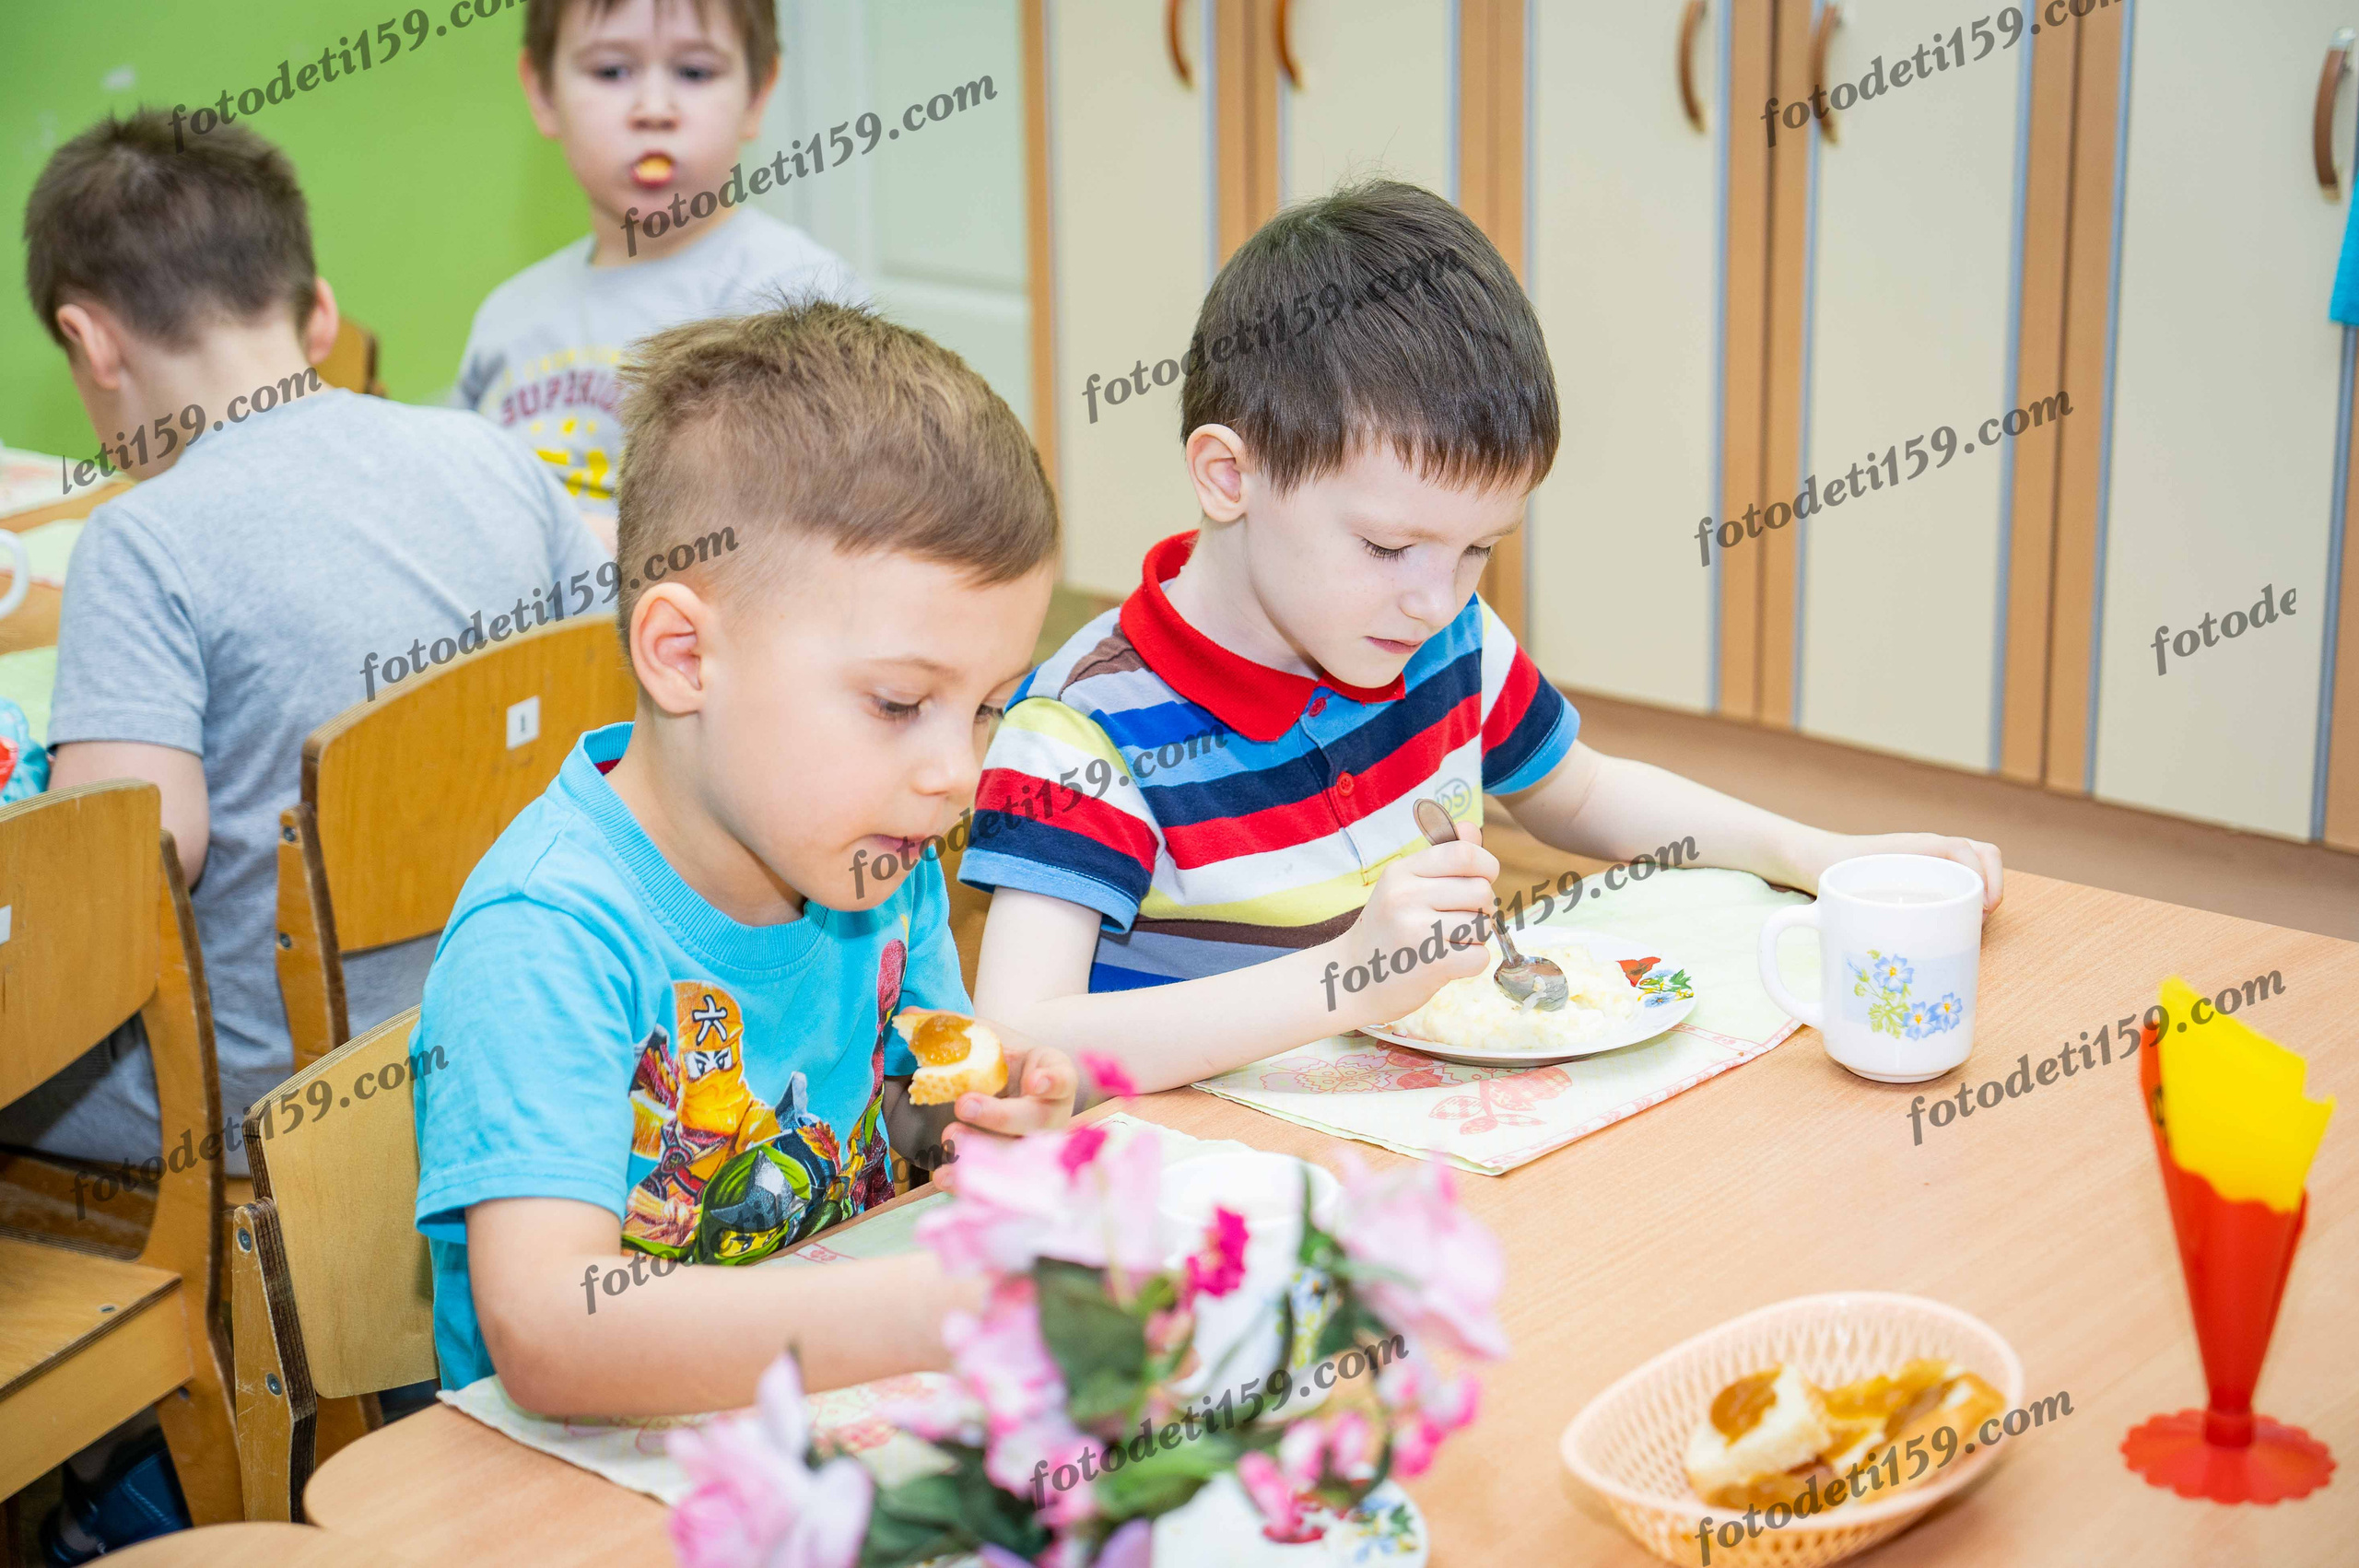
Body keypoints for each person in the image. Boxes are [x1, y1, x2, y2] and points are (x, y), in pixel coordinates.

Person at [962, 180, 2004, 1091]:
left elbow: (1580, 791)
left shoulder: (1440, 640)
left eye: (1477, 551)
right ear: (1229, 477)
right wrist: (1348, 979)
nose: (1433, 599)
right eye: (1386, 545)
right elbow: (1016, 1043)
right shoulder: (1085, 731)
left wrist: (1814, 854)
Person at [12, 109, 606, 1563]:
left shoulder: (146, 544)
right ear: (320, 313)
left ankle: (107, 1466)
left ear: (91, 345)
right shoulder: (492, 460)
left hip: (267, 1080)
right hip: (497, 1016)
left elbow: (126, 868)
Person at [412, 301, 1074, 1416]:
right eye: (902, 702)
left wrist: (975, 1116)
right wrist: (923, 1310)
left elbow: (900, 1105)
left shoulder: (875, 858)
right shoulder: (547, 936)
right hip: (568, 1489)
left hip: (804, 1419)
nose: (956, 774)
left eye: (985, 709)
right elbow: (546, 1331)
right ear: (683, 656)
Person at [452, 0, 864, 544]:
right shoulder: (507, 316)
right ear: (544, 93)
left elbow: (812, 539)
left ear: (758, 94)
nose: (653, 108)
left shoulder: (800, 298)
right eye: (611, 71)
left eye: (694, 72)